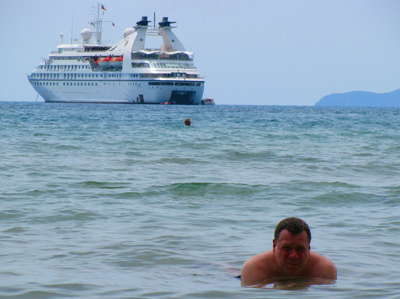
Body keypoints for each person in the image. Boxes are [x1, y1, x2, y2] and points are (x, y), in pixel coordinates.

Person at [240, 217, 337, 286]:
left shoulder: (324, 270)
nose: (294, 255)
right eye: (287, 248)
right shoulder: (255, 268)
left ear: (308, 248)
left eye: (300, 249)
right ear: (274, 246)